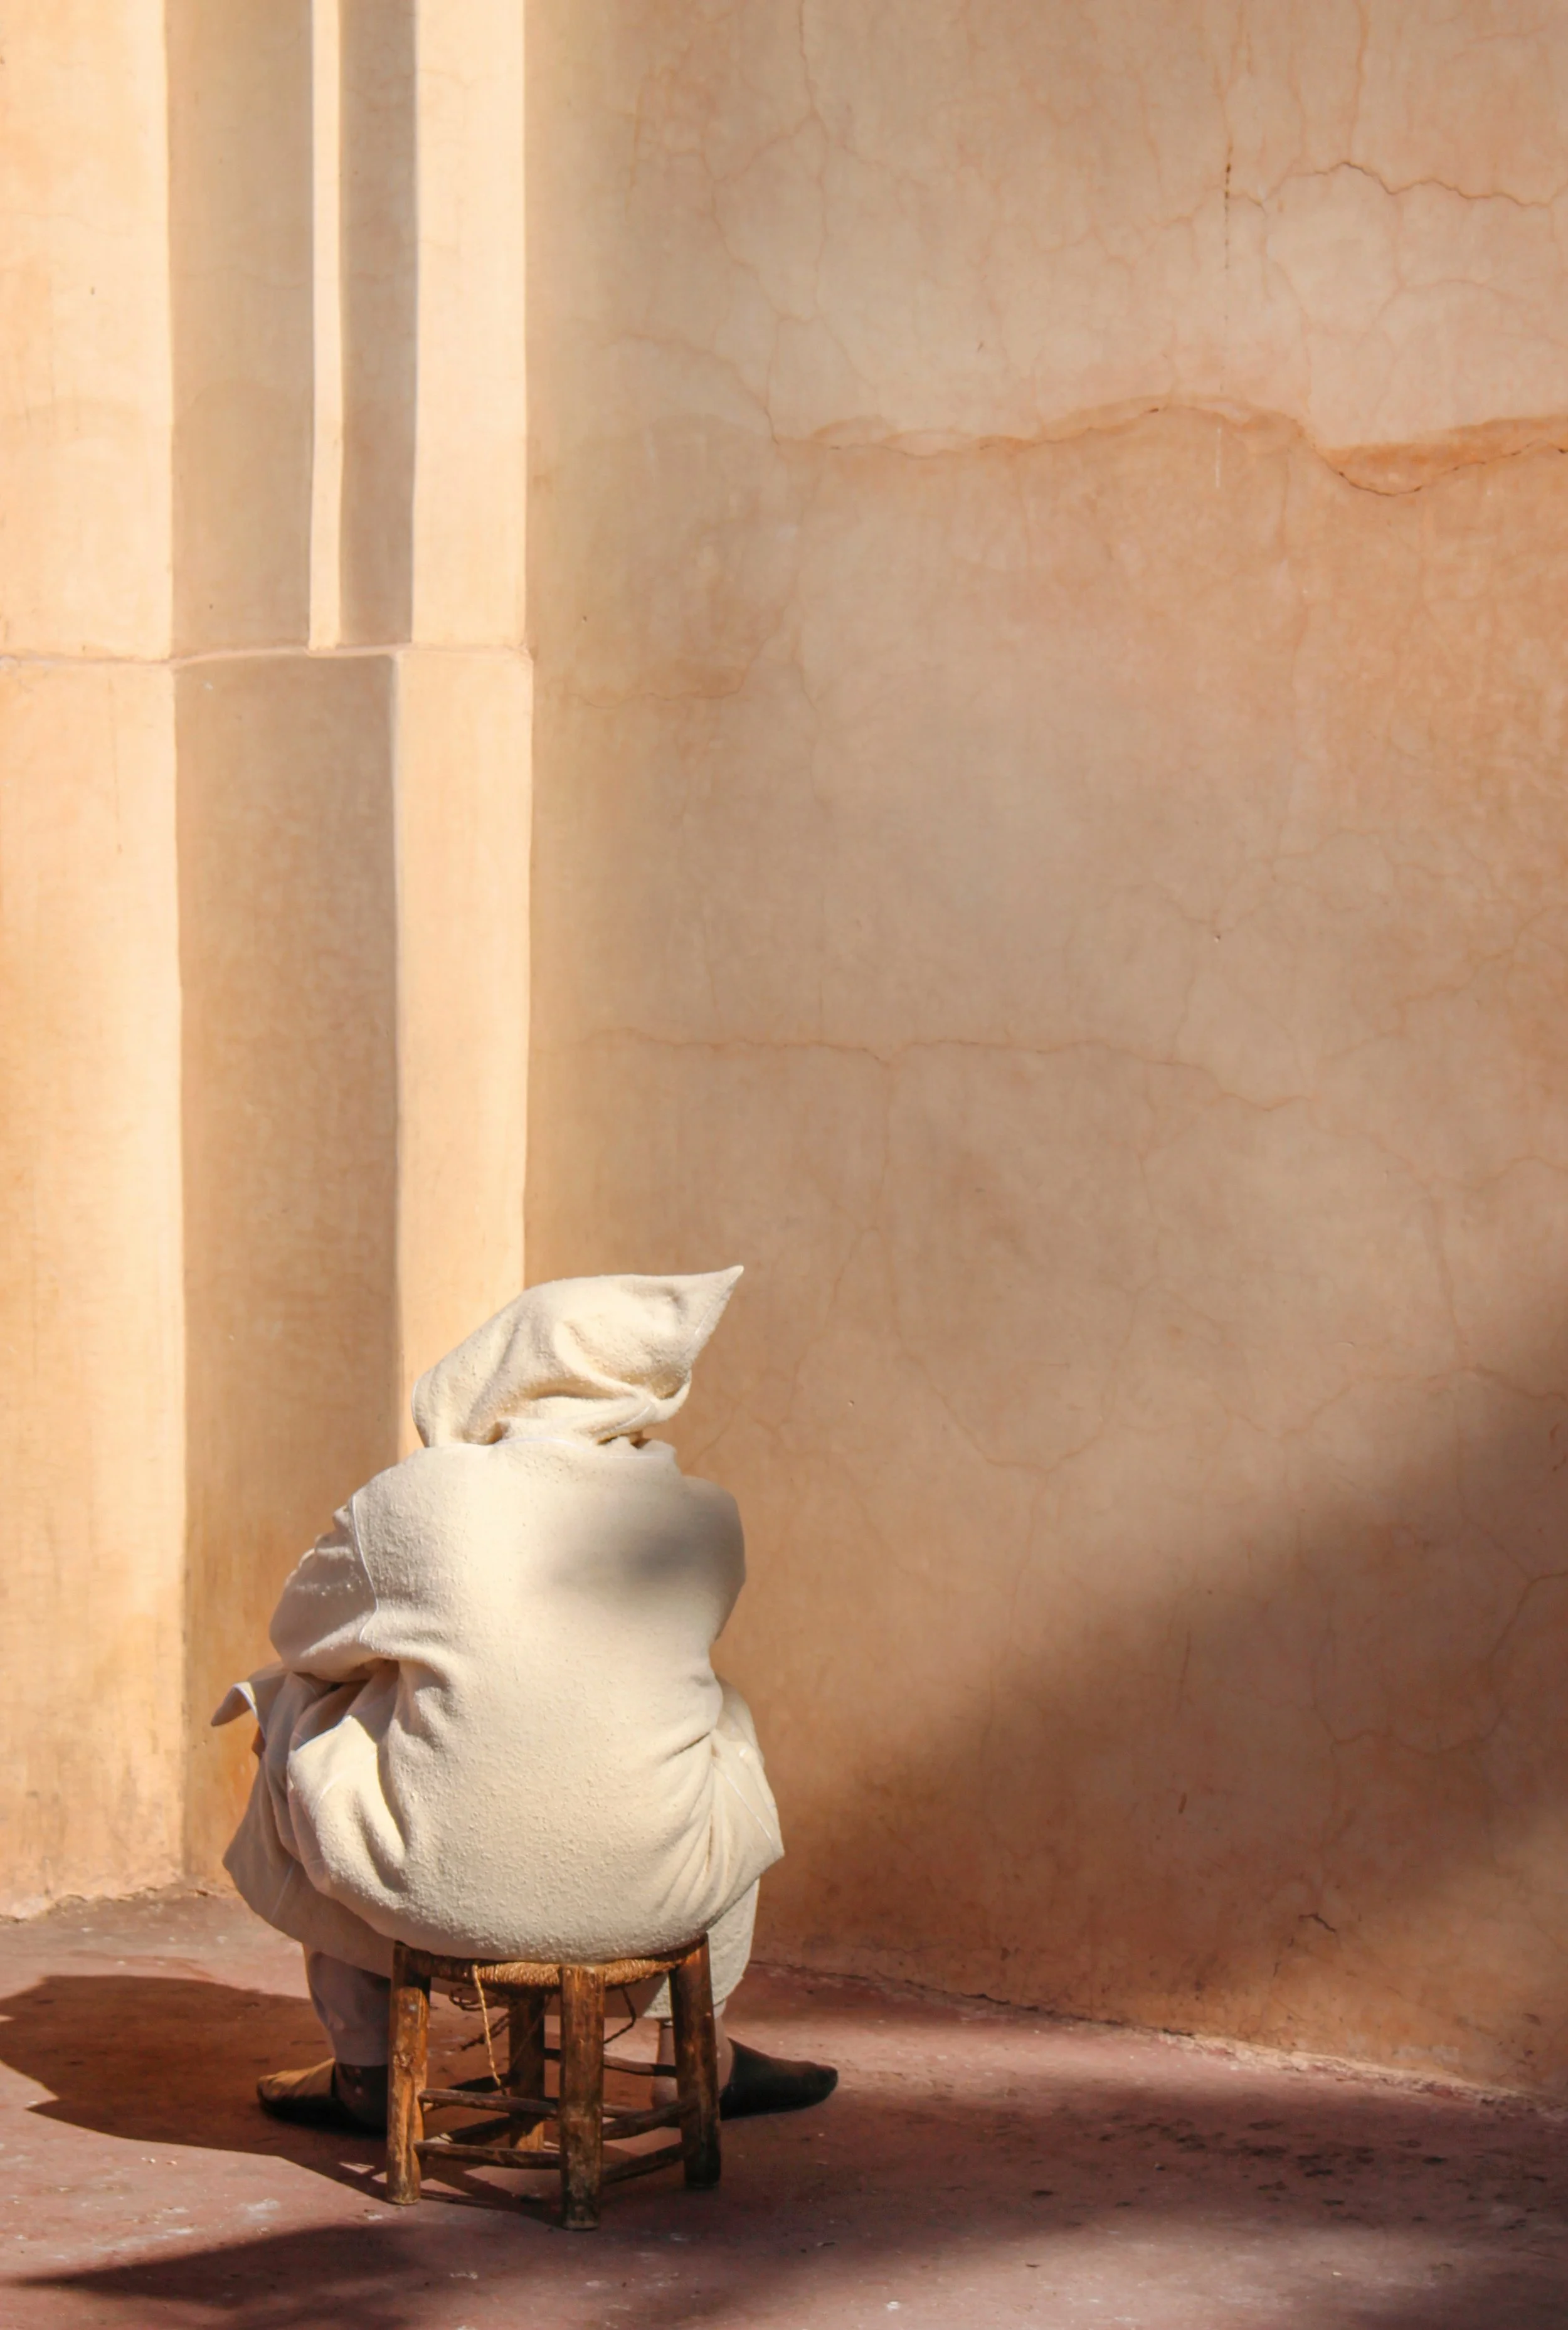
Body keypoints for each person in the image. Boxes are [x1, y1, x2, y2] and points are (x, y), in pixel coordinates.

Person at [214, 1267, 835, 2132]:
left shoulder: (416, 1500)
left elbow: (298, 1633)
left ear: (502, 1360)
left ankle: (363, 2065)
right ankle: (695, 2058)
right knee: (721, 1720)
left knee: (298, 1699)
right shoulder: (704, 1519)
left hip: (428, 1887)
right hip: (656, 1892)